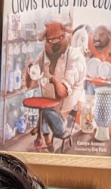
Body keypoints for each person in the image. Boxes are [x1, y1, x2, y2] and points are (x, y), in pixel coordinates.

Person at [25, 18, 86, 149]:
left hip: (65, 121)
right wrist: (29, 70)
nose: (55, 44)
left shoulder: (75, 58)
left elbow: (62, 93)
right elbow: (29, 85)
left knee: (44, 112)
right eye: (51, 41)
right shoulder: (43, 55)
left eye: (60, 38)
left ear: (66, 38)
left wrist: (53, 80)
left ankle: (43, 135)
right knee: (45, 112)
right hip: (50, 112)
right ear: (46, 41)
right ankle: (44, 137)